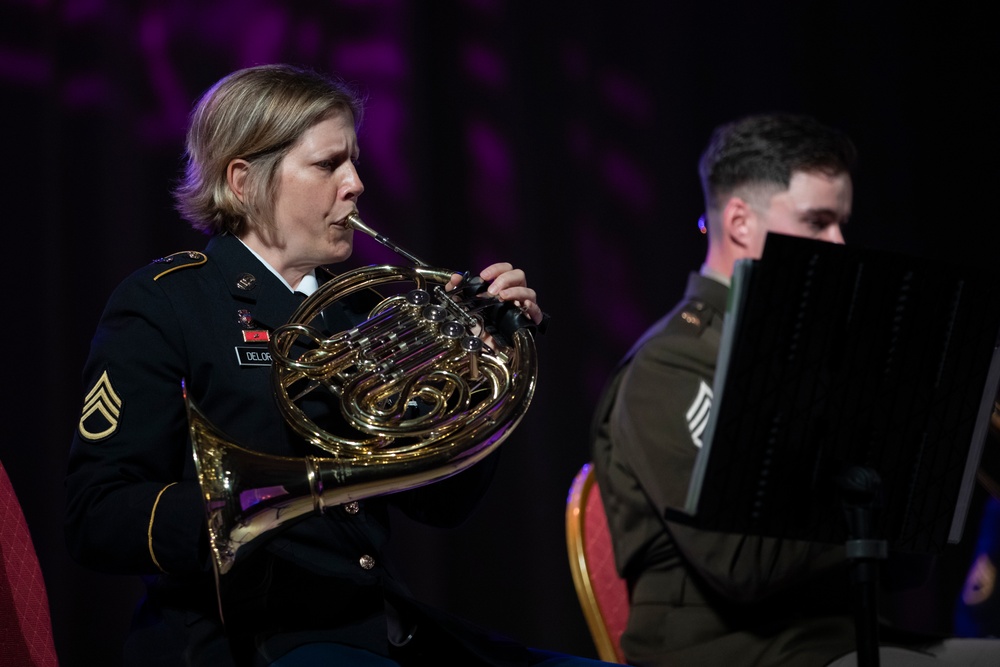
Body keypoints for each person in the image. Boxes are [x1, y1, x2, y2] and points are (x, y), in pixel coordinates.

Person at [65, 63, 611, 667]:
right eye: (328, 165)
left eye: (352, 162)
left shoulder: (360, 307)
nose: (355, 184)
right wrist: (229, 513)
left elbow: (443, 505)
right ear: (245, 181)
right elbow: (97, 512)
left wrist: (486, 365)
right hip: (250, 639)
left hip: (376, 625)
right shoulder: (168, 301)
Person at [590, 112, 1000, 666]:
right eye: (817, 222)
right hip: (734, 655)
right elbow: (739, 562)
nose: (840, 242)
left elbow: (904, 569)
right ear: (739, 222)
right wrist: (868, 470)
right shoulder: (671, 364)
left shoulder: (819, 355)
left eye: (842, 223)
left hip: (845, 644)